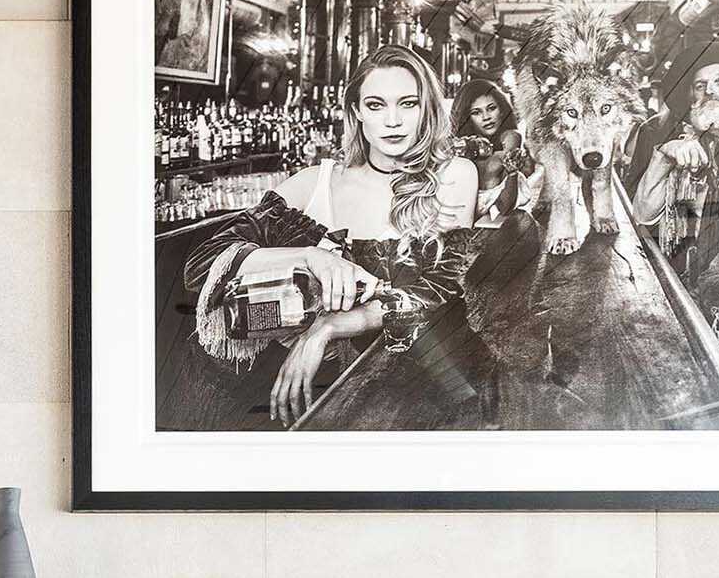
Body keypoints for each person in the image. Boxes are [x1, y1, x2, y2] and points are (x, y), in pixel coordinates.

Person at [182, 46, 486, 425]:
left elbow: (440, 289)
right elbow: (201, 265)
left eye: (408, 104)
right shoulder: (317, 183)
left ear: (427, 109)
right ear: (356, 112)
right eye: (376, 105)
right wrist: (310, 256)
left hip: (428, 383)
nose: (393, 121)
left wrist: (328, 327)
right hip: (328, 388)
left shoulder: (455, 174)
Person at [632, 62, 719, 310]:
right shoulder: (684, 151)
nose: (709, 90)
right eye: (700, 85)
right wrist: (664, 156)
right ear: (692, 101)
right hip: (689, 300)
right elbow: (642, 216)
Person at [451, 76, 531, 225]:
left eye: (491, 108)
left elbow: (505, 207)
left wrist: (512, 174)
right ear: (466, 118)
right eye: (476, 112)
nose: (486, 117)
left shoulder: (510, 138)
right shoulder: (459, 146)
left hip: (485, 224)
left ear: (501, 110)